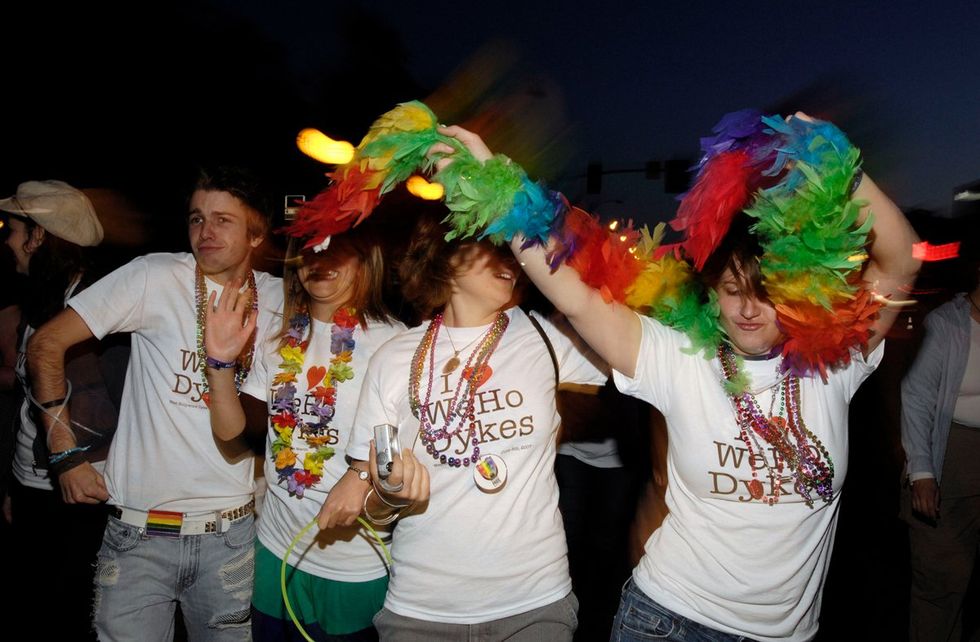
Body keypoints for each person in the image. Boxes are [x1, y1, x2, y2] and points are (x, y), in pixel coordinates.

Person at [427, 111, 920, 641]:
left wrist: (835, 162)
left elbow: (901, 265)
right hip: (669, 620)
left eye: (767, 294)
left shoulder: (833, 362)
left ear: (797, 295)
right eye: (732, 291)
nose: (748, 310)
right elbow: (573, 295)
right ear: (712, 292)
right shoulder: (678, 356)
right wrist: (497, 187)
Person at [27, 167, 284, 641]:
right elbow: (45, 344)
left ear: (256, 234)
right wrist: (64, 453)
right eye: (196, 218)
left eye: (223, 220)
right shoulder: (154, 276)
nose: (205, 232)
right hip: (137, 535)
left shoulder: (282, 300)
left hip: (232, 537)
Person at [343, 209, 606, 641]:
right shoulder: (392, 358)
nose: (509, 260)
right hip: (421, 609)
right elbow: (376, 504)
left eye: (513, 250)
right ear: (445, 257)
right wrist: (389, 493)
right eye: (491, 245)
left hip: (533, 603)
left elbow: (624, 327)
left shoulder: (547, 338)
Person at [204, 226, 406, 640]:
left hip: (354, 564)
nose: (322, 258)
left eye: (338, 246)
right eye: (311, 248)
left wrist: (364, 475)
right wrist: (219, 363)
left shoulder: (395, 344)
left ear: (366, 259)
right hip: (276, 551)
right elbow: (233, 435)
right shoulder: (279, 339)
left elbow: (399, 455)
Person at [1, 180, 126, 639]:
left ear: (39, 236)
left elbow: (121, 408)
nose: (9, 241)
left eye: (14, 230)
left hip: (79, 493)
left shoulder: (96, 311)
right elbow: (27, 402)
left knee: (71, 613)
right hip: (34, 483)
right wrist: (16, 482)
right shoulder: (41, 301)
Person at [901, 265, 980, 642]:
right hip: (950, 457)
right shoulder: (946, 324)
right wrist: (922, 473)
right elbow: (916, 397)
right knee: (942, 580)